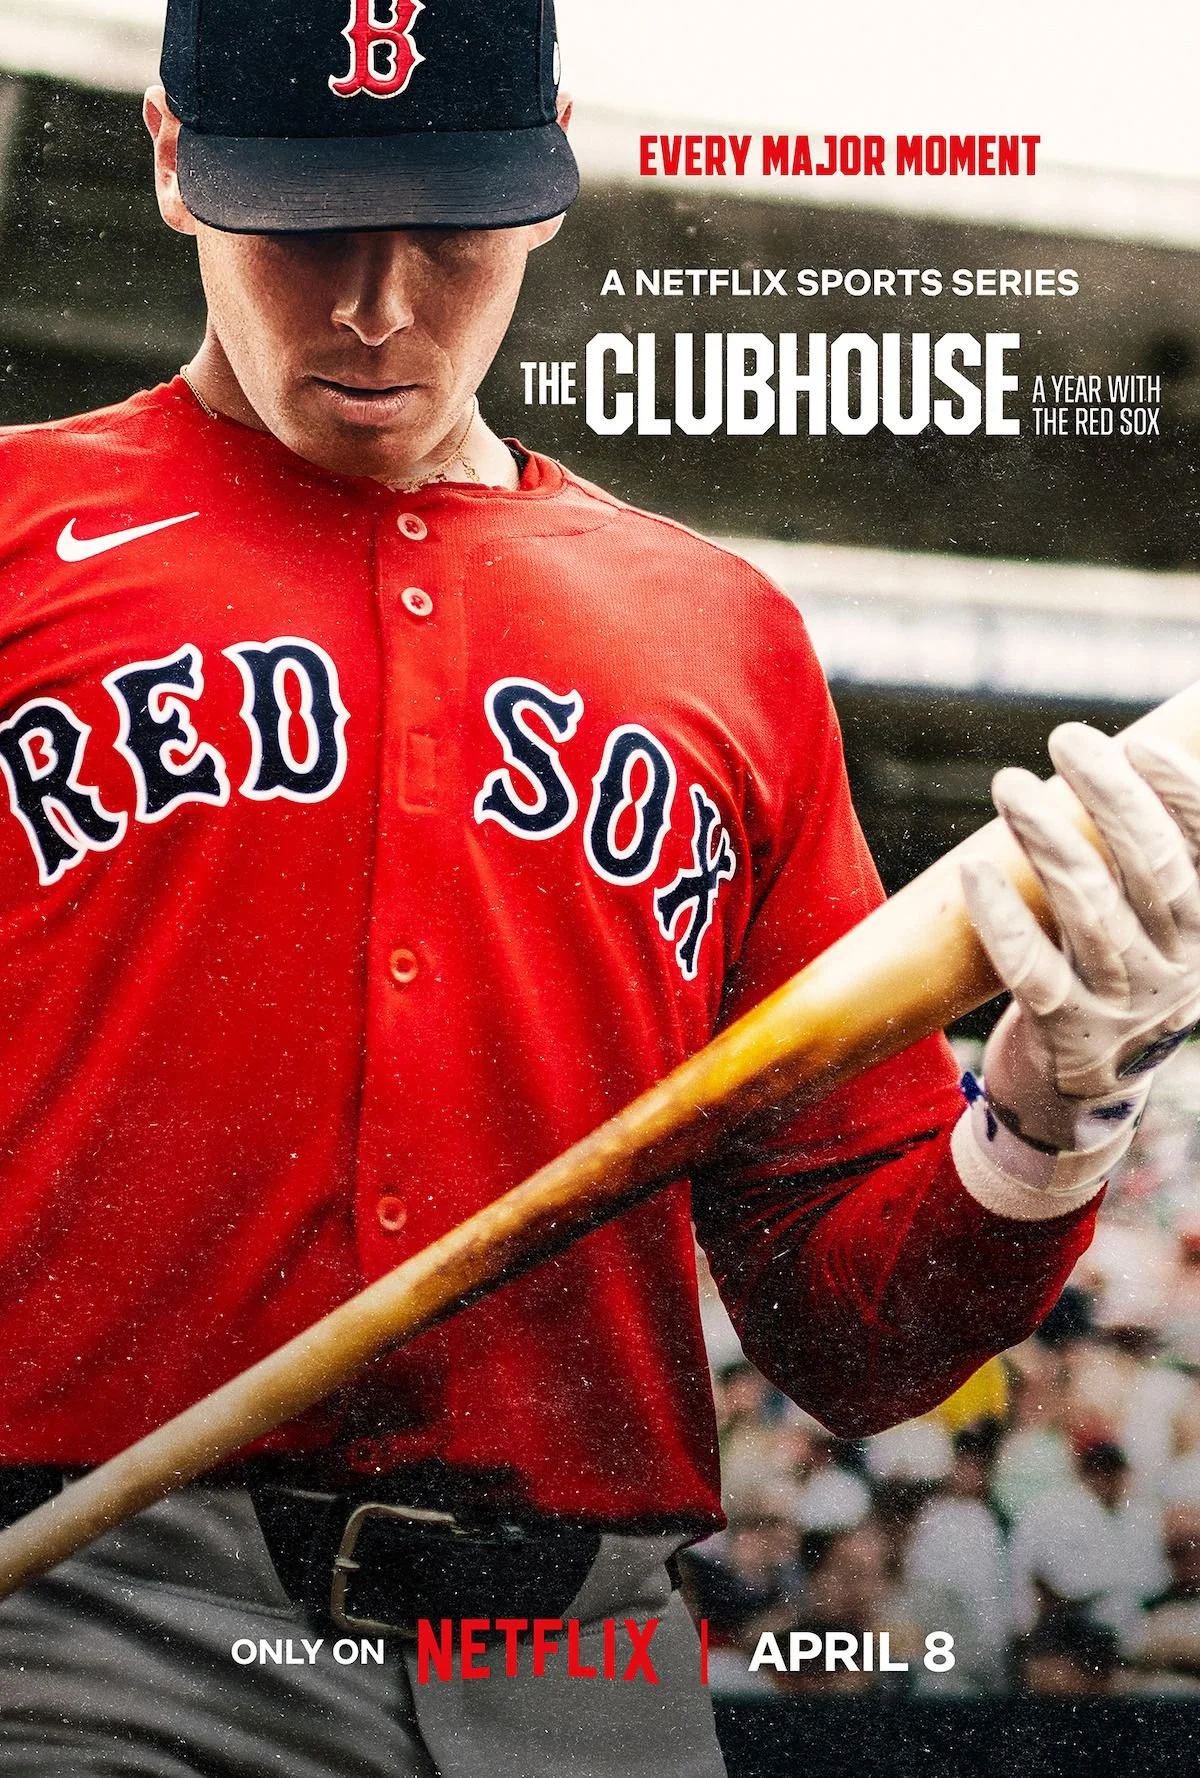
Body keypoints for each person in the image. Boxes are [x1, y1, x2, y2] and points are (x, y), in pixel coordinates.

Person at [1, 2, 1200, 1773]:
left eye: (452, 217)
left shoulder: (722, 634)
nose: (381, 303)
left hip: (589, 1665)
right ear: (174, 159)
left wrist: (1049, 1104)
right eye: (311, 218)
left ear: (553, 172)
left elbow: (853, 1331)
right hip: (106, 1621)